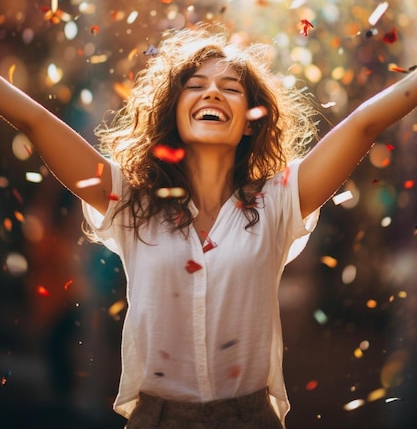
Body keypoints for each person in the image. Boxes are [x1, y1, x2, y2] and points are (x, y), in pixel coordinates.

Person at [1, 23, 416, 429]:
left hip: (251, 419)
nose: (213, 92)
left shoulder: (280, 199)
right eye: (195, 85)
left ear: (252, 120)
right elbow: (35, 121)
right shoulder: (129, 197)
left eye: (231, 88)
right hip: (156, 420)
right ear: (173, 110)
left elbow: (364, 124)